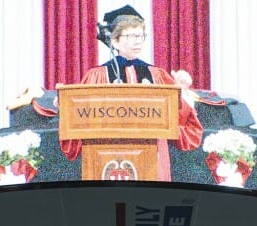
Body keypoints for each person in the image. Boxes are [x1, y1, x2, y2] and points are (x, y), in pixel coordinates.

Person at [55, 6, 203, 182]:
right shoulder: (96, 76)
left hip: (152, 159)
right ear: (115, 42)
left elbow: (179, 121)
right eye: (130, 36)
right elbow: (78, 122)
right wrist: (65, 106)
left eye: (140, 36)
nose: (137, 41)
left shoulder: (158, 75)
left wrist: (181, 91)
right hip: (104, 157)